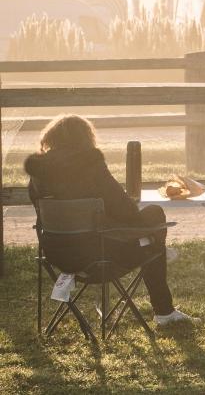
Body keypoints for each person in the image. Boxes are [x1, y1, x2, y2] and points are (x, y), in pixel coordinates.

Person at [24, 114, 195, 326]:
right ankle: (164, 308)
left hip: (58, 256)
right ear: (86, 138)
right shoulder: (91, 164)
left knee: (146, 233)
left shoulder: (37, 172)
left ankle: (155, 247)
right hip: (99, 255)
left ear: (50, 138)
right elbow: (126, 210)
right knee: (154, 214)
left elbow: (46, 215)